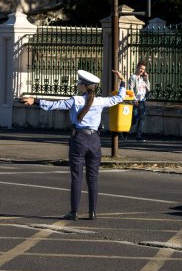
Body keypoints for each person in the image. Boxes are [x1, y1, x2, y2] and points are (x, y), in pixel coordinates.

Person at [21, 69, 125, 221]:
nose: (78, 86)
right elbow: (119, 98)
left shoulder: (75, 100)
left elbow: (54, 105)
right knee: (93, 178)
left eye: (79, 84)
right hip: (95, 140)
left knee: (76, 177)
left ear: (84, 86)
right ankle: (92, 212)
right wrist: (122, 81)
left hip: (79, 139)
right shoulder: (100, 101)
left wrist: (34, 100)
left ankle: (74, 212)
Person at [128, 61, 150, 141]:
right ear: (137, 67)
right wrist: (134, 99)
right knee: (134, 119)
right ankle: (124, 130)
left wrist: (147, 79)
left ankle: (139, 136)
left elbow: (149, 89)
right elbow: (130, 89)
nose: (142, 70)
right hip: (136, 101)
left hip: (142, 101)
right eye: (141, 68)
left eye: (143, 69)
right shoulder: (133, 77)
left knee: (141, 119)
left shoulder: (143, 78)